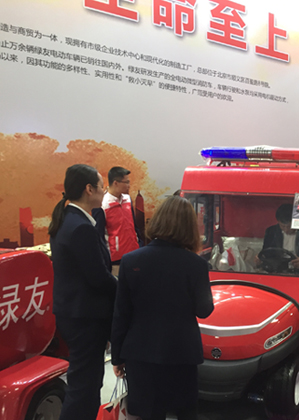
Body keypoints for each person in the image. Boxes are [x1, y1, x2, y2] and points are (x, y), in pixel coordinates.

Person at [111, 196, 214, 420]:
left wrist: (117, 358)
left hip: (141, 353)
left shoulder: (130, 261)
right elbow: (204, 310)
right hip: (181, 353)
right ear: (189, 227)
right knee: (185, 412)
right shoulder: (196, 264)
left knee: (149, 413)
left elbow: (121, 314)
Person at [48, 164, 117, 420]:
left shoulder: (67, 219)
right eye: (101, 186)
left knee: (87, 382)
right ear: (89, 189)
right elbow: (98, 277)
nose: (103, 191)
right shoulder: (81, 227)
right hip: (85, 317)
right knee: (84, 387)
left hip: (74, 314)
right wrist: (127, 288)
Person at [93, 166, 143, 276]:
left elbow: (134, 225)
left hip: (134, 252)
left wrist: (140, 243)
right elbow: (98, 236)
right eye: (126, 182)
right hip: (115, 259)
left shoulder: (127, 199)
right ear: (115, 183)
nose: (129, 185)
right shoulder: (102, 205)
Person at [259, 203, 299, 275]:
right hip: (278, 271)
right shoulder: (271, 232)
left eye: (289, 226)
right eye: (282, 226)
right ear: (278, 222)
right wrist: (260, 260)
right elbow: (266, 253)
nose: (286, 229)